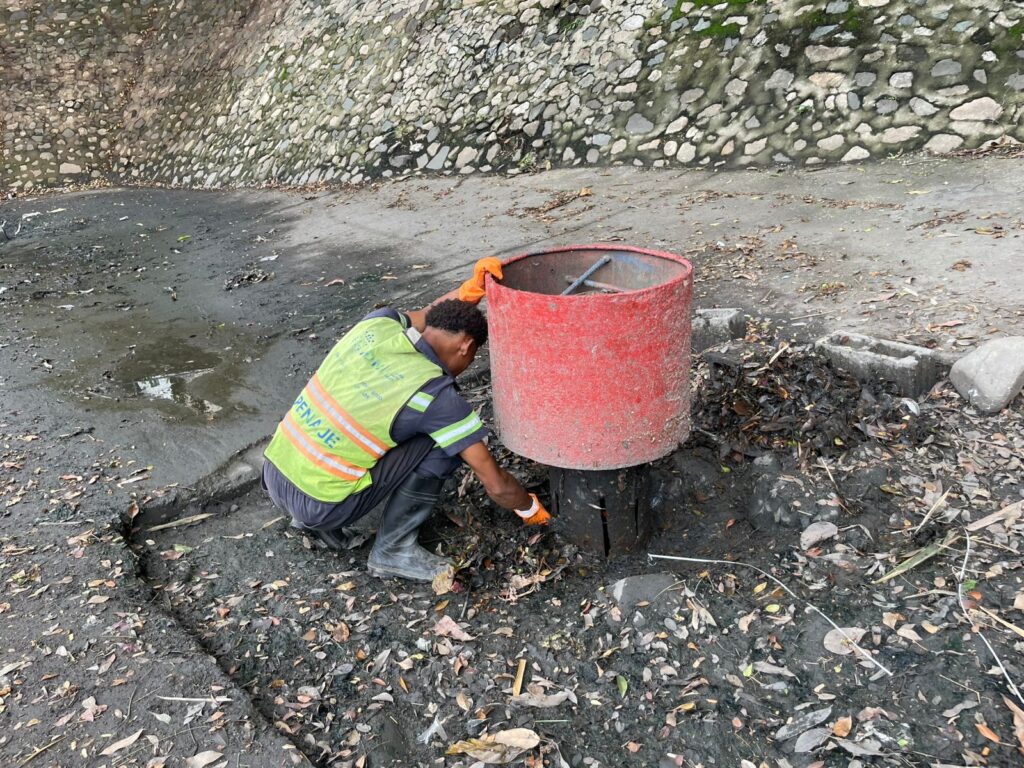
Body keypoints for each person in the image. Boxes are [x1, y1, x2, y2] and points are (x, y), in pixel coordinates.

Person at [261, 257, 551, 582]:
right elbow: (496, 484)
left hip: (275, 473)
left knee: (373, 423)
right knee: (443, 442)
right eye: (472, 357)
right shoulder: (435, 396)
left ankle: (315, 524)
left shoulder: (377, 325)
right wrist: (532, 511)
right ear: (467, 347)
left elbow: (428, 313)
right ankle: (393, 551)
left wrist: (471, 289)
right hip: (320, 505)